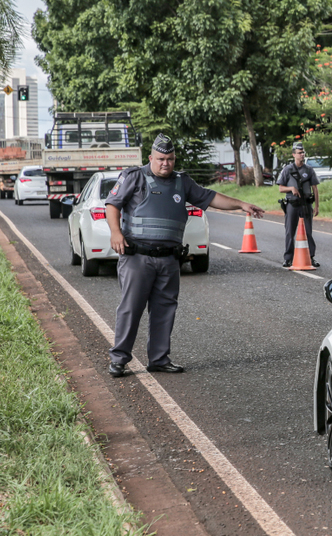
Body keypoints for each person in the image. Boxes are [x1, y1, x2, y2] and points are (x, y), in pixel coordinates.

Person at [105, 134, 264, 377]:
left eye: (169, 159)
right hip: (138, 257)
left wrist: (241, 204)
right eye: (160, 159)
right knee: (131, 308)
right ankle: (119, 359)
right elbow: (112, 204)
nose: (165, 164)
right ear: (151, 158)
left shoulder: (182, 182)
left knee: (164, 309)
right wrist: (115, 232)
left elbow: (210, 198)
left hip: (169, 260)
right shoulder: (134, 177)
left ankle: (158, 358)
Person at [277, 142, 320, 268]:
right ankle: (288, 258)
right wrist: (291, 188)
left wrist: (317, 206)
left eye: (303, 152)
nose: (302, 155)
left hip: (306, 205)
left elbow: (315, 189)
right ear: (293, 154)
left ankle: (311, 257)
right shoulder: (287, 169)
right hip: (292, 204)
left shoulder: (309, 169)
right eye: (299, 153)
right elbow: (280, 188)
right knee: (290, 231)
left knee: (308, 232)